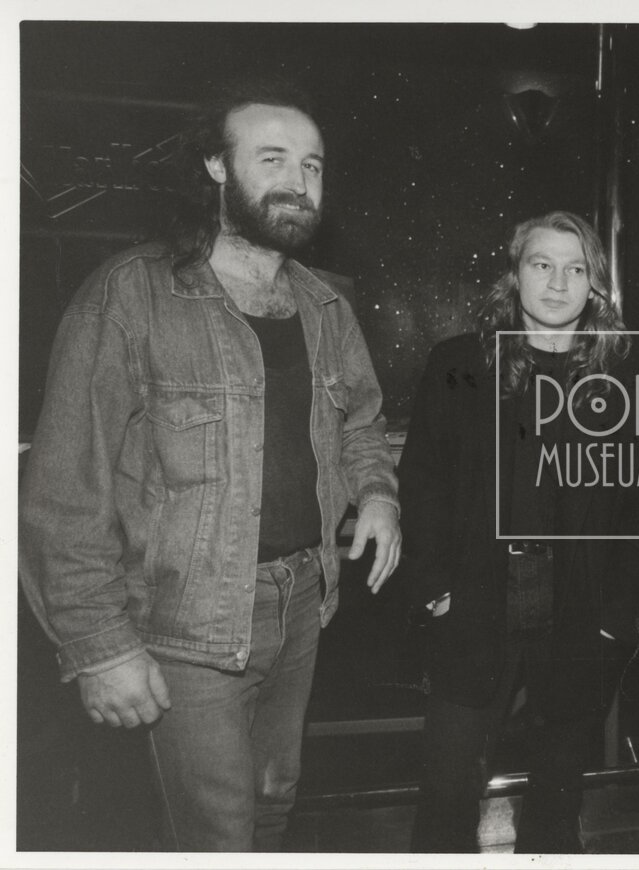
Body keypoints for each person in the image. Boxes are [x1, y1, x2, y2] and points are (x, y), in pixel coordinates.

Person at [18, 76, 401, 851]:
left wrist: (378, 493)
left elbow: (359, 418)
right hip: (184, 621)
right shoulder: (131, 294)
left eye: (313, 165)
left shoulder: (326, 305)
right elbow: (64, 491)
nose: (298, 181)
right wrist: (100, 649)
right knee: (219, 837)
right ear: (217, 167)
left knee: (272, 807)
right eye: (272, 158)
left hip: (304, 602)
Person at [398, 211, 639, 853]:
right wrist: (436, 590)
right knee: (446, 792)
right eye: (542, 264)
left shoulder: (625, 380)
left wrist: (615, 619)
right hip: (475, 600)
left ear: (594, 284)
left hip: (578, 610)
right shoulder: (458, 363)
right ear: (514, 274)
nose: (557, 283)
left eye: (575, 269)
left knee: (557, 801)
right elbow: (423, 482)